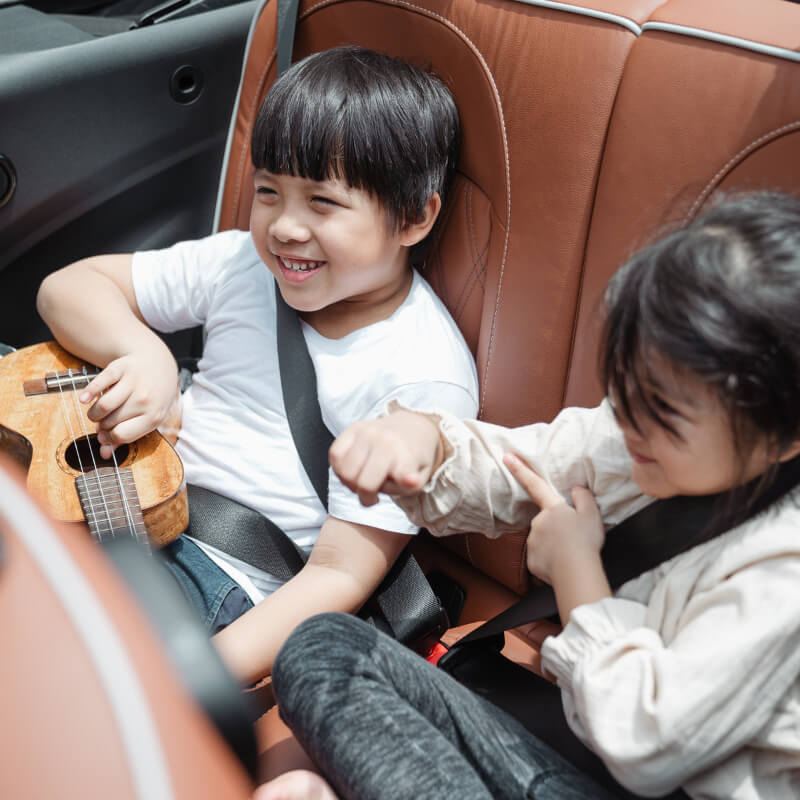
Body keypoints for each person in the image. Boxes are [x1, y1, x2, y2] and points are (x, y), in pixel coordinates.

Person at [258, 191, 800, 799]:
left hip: (646, 776)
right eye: (625, 383)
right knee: (322, 648)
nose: (628, 420)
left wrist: (576, 573)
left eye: (666, 410)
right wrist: (422, 441)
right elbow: (515, 465)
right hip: (567, 742)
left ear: (783, 435)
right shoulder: (632, 436)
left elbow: (647, 742)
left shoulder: (783, 571)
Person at [36, 45, 478, 686]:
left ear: (413, 217)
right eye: (269, 191)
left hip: (215, 571)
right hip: (126, 487)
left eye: (322, 203)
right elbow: (65, 289)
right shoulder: (242, 263)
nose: (284, 228)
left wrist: (190, 682)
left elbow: (338, 574)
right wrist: (145, 355)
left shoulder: (421, 378)